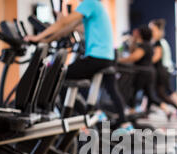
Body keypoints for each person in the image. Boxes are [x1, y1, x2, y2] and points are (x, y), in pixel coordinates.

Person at [24, 0, 132, 130]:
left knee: (58, 76)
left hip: (97, 57)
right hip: (107, 57)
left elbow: (63, 23)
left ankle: (71, 118)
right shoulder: (96, 5)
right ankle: (122, 122)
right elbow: (66, 29)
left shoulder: (90, 3)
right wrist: (44, 40)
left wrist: (36, 37)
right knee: (111, 89)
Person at [117, 25, 172, 119]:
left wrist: (120, 60)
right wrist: (134, 39)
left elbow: (134, 57)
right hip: (148, 72)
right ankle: (167, 110)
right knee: (150, 95)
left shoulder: (144, 45)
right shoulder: (147, 45)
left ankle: (131, 111)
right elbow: (132, 51)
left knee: (132, 91)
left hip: (144, 73)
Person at [149, 19, 177, 120]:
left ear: (158, 30)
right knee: (165, 92)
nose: (150, 31)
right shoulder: (163, 42)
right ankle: (176, 109)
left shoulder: (158, 43)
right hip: (165, 70)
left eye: (152, 29)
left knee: (163, 94)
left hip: (162, 71)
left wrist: (146, 61)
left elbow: (157, 57)